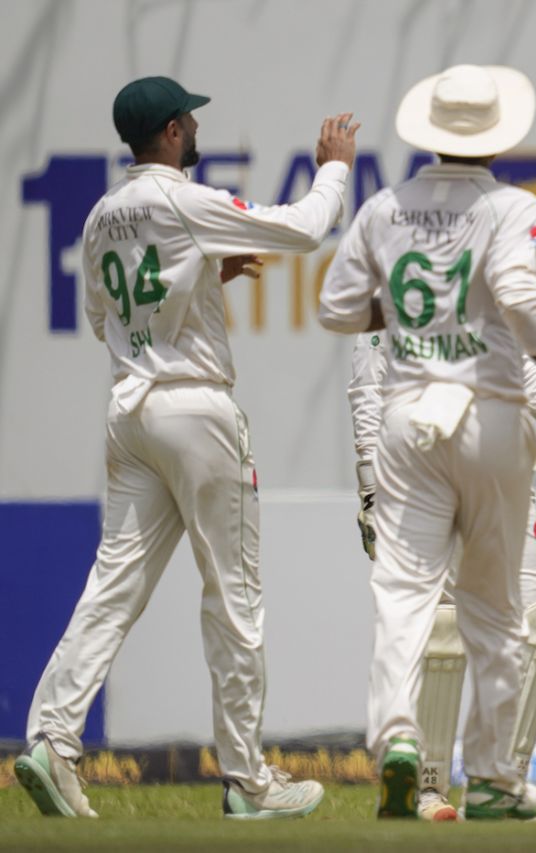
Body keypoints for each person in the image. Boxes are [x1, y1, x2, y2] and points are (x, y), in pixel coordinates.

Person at [14, 76, 356, 820]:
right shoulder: (180, 198)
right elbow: (302, 228)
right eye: (190, 121)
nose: (196, 130)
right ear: (171, 131)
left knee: (112, 590)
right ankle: (246, 779)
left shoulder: (102, 216)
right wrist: (333, 166)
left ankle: (51, 738)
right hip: (196, 409)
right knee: (233, 595)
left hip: (129, 413)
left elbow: (107, 310)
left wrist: (203, 271)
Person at [318, 64, 536, 821]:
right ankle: (497, 780)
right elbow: (515, 290)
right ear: (498, 137)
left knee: (402, 597)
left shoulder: (382, 208)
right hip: (487, 418)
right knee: (495, 606)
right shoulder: (510, 206)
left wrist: (417, 321)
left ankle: (399, 742)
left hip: (411, 417)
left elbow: (338, 307)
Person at [345, 332, 536, 820]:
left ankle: (501, 782)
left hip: (503, 471)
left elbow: (514, 363)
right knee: (443, 628)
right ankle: (428, 788)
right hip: (428, 472)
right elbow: (368, 384)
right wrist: (370, 485)